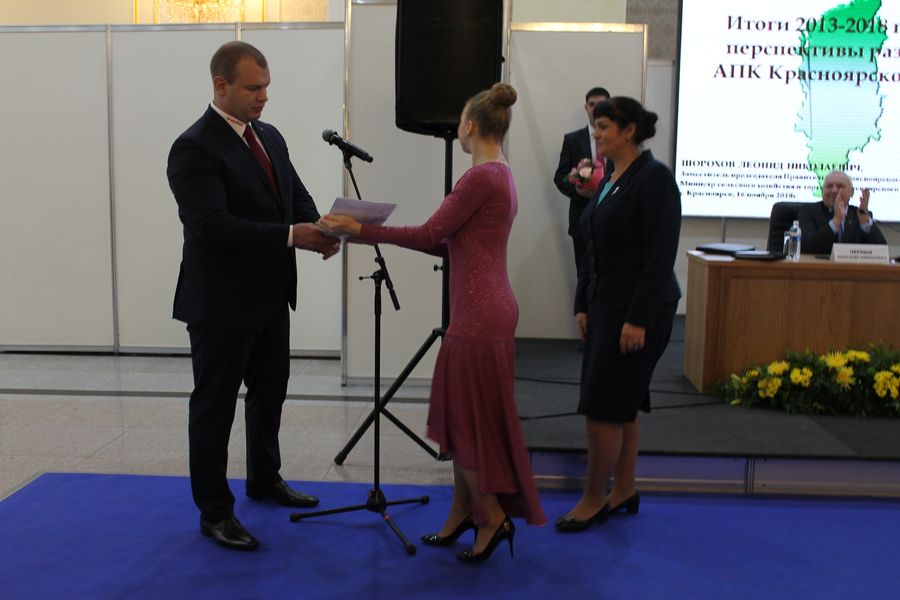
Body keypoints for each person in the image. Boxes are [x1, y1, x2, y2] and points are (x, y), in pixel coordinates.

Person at [318, 83, 547, 563]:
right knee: (464, 418)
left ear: (470, 126)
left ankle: (491, 518)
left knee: (463, 422)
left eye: (460, 122)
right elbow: (447, 242)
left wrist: (360, 230)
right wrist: (368, 232)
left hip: (479, 315)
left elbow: (429, 233)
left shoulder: (478, 178)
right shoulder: (501, 173)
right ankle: (463, 513)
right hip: (489, 309)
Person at [167, 41, 340, 551]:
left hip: (269, 296)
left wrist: (320, 226)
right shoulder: (194, 148)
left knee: (270, 394)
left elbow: (292, 193)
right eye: (253, 88)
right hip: (221, 304)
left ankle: (264, 478)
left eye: (266, 87)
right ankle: (215, 511)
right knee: (214, 407)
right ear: (220, 85)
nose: (264, 97)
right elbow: (213, 226)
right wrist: (291, 236)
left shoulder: (269, 135)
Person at [556, 97, 681, 532]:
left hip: (636, 310)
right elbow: (591, 245)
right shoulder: (611, 178)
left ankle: (594, 499)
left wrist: (638, 319)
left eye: (604, 126)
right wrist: (582, 303)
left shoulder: (654, 178)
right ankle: (623, 489)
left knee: (603, 406)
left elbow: (660, 255)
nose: (596, 133)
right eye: (596, 125)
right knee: (623, 403)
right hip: (606, 305)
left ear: (629, 132)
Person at [554, 87, 615, 283]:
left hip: (614, 219)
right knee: (584, 278)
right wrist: (579, 191)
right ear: (586, 107)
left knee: (612, 278)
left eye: (601, 104)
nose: (595, 108)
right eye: (591, 104)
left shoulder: (618, 140)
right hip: (582, 220)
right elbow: (560, 178)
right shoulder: (572, 140)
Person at [798, 170, 887, 254]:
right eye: (829, 186)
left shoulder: (859, 214)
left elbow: (881, 250)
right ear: (822, 191)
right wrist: (836, 221)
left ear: (852, 192)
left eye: (840, 186)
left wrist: (865, 222)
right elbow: (805, 246)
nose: (834, 190)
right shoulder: (808, 211)